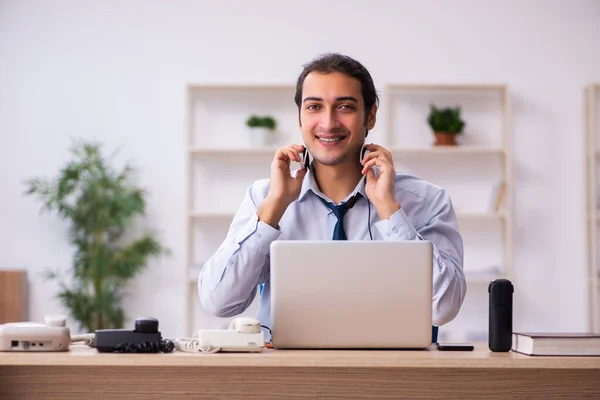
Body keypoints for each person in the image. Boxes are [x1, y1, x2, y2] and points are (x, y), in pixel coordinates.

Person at [198, 53, 466, 340]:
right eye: (314, 107)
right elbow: (219, 302)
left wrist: (389, 211)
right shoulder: (265, 197)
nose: (328, 122)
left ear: (371, 115)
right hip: (288, 376)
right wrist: (273, 210)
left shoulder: (427, 202)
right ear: (300, 116)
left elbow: (444, 307)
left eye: (345, 107)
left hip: (391, 376)